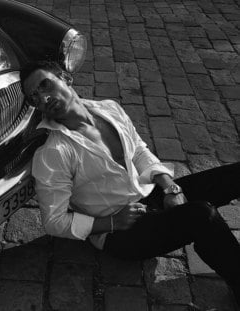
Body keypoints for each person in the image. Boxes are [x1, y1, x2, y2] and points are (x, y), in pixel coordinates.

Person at [20, 60, 240, 303]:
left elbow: (138, 151)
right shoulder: (54, 152)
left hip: (150, 194)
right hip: (122, 233)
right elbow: (54, 221)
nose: (43, 98)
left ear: (65, 78)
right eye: (34, 97)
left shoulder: (109, 109)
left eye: (45, 85)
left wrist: (170, 187)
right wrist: (111, 222)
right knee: (203, 216)